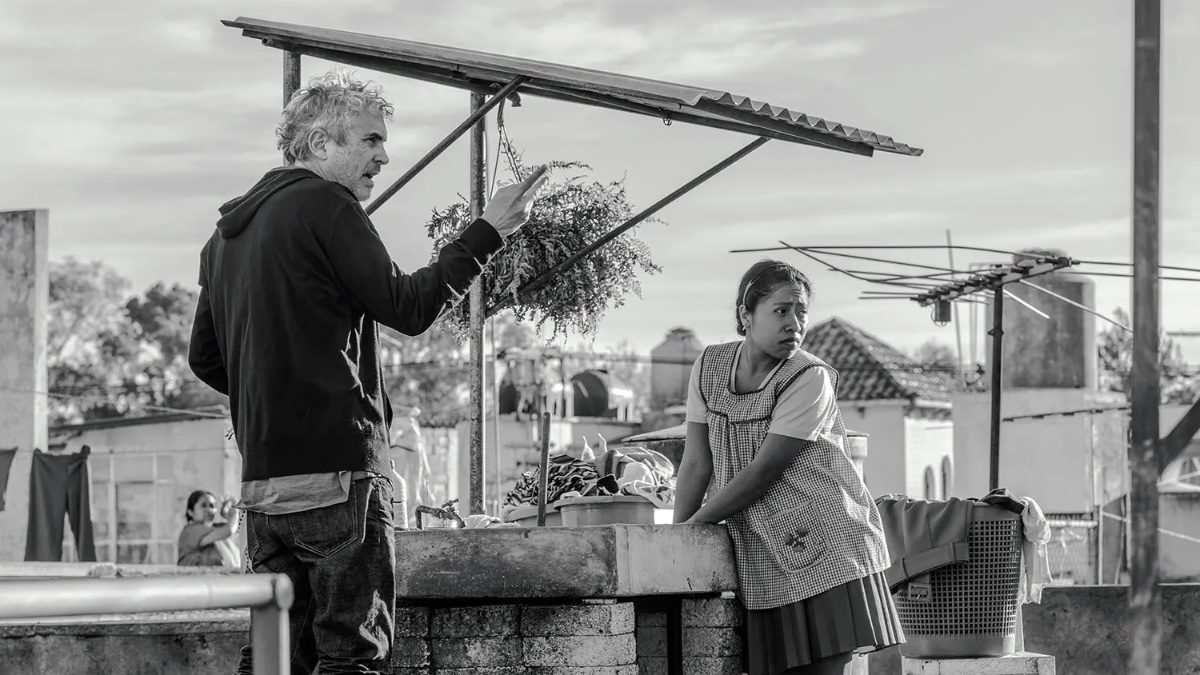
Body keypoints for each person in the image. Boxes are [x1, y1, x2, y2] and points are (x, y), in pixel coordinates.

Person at [188, 69, 548, 675]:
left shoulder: (224, 236)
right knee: (352, 657)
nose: (384, 155)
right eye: (370, 140)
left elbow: (206, 358)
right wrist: (488, 232)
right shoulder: (327, 205)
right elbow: (407, 307)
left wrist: (275, 393)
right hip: (336, 478)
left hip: (263, 492)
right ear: (320, 144)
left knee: (278, 658)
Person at [673, 260, 903, 675]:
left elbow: (764, 472)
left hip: (828, 546)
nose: (794, 323)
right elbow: (695, 462)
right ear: (746, 315)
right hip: (764, 555)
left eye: (801, 312)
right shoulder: (707, 367)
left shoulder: (809, 377)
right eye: (781, 311)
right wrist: (675, 543)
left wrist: (696, 526)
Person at [177, 490, 242, 568]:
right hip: (198, 579)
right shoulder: (190, 531)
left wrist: (227, 515)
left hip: (224, 578)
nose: (209, 509)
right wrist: (233, 513)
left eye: (212, 506)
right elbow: (229, 531)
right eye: (203, 505)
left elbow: (239, 528)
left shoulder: (216, 529)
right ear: (190, 512)